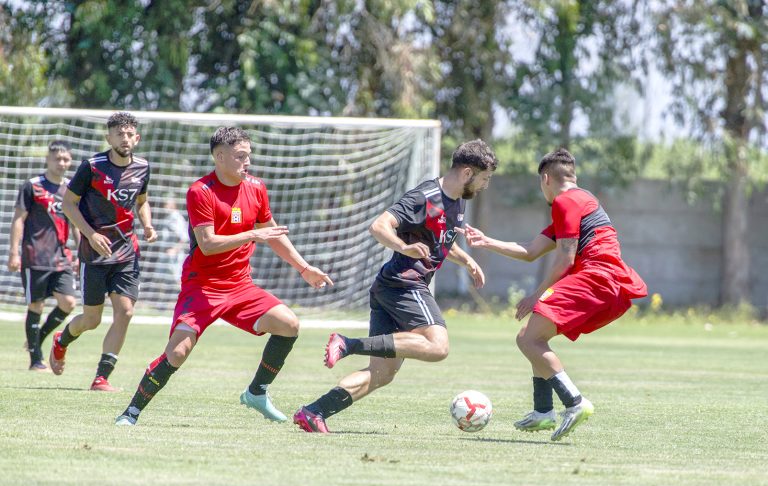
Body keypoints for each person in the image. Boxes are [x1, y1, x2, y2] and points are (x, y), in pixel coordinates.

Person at [115, 126, 333, 426]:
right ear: (219, 157)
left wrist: (304, 267)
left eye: (249, 155)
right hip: (202, 287)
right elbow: (207, 244)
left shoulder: (256, 187)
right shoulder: (200, 191)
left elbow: (273, 234)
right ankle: (131, 412)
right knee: (178, 353)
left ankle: (257, 392)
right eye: (240, 156)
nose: (248, 162)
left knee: (288, 324)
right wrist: (252, 234)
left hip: (240, 286)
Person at [293, 139, 497, 433]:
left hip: (389, 288)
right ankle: (348, 344)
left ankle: (313, 412)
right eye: (484, 178)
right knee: (438, 346)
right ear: (467, 173)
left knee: (382, 373)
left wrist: (466, 260)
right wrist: (404, 247)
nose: (485, 185)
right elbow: (379, 226)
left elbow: (438, 239)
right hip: (405, 284)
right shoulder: (424, 196)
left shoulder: (457, 200)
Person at [461, 148, 647, 441]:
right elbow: (530, 251)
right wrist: (486, 241)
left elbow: (565, 259)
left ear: (545, 178)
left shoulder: (565, 202)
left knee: (527, 339)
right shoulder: (579, 201)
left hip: (595, 277)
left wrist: (538, 294)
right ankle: (543, 411)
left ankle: (574, 402)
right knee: (534, 337)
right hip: (607, 281)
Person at [49, 112, 157, 391]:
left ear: (137, 138)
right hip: (94, 254)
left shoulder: (143, 167)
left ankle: (102, 377)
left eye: (130, 133)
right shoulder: (92, 167)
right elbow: (69, 205)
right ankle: (61, 340)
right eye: (119, 133)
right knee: (91, 320)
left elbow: (142, 201)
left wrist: (147, 224)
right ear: (108, 137)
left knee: (126, 311)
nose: (125, 138)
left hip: (127, 252)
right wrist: (91, 234)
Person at [7, 140, 79, 372]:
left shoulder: (71, 188)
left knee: (68, 303)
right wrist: (13, 252)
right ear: (48, 159)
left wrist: (81, 251)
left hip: (62, 256)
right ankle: (35, 360)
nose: (62, 163)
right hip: (35, 255)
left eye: (66, 159)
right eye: (57, 158)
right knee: (36, 305)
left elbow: (76, 223)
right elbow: (19, 219)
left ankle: (36, 339)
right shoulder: (33, 185)